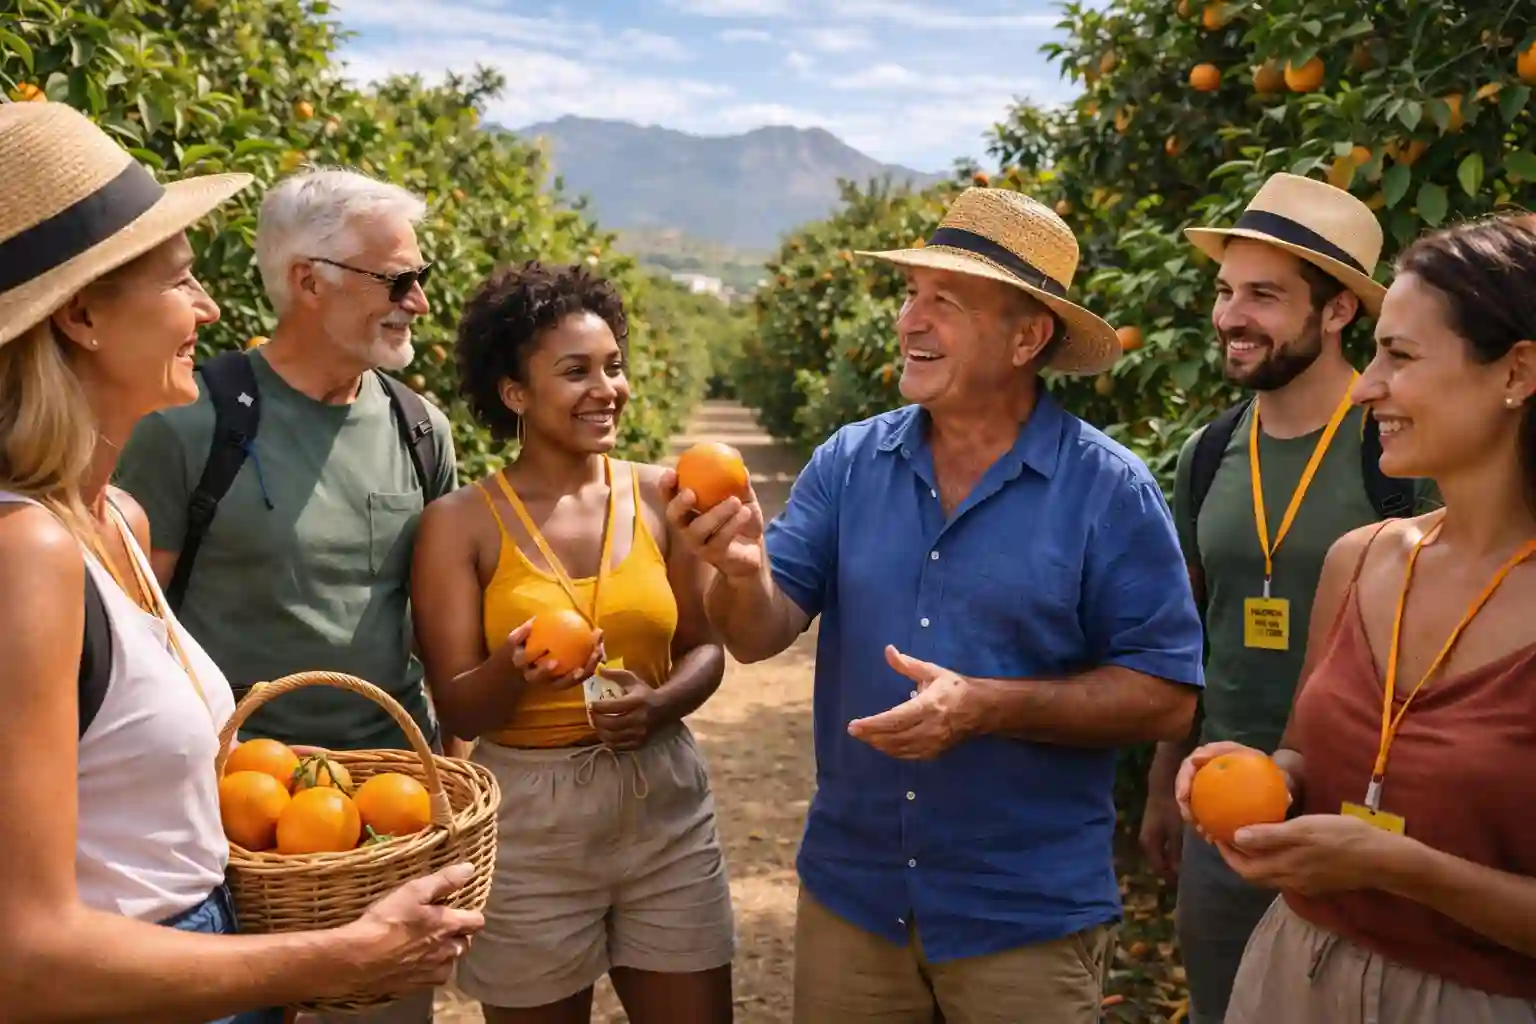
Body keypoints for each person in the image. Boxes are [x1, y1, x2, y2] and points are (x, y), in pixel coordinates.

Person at [662, 186, 1206, 1023]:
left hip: (1022, 916)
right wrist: (737, 571)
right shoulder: (850, 462)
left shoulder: (1109, 492)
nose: (910, 321)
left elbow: (1167, 695)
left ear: (1027, 337)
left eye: (944, 302)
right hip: (856, 899)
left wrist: (987, 707)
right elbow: (758, 634)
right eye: (910, 294)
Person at [0, 101, 481, 1023]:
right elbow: (26, 952)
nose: (209, 308)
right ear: (84, 317)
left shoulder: (117, 524)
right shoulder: (28, 553)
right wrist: (333, 956)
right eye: (181, 282)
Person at [1175, 211, 1536, 1023]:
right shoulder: (1362, 559)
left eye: (1399, 357)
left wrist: (1403, 867)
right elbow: (1308, 753)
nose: (1367, 385)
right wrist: (1261, 777)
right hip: (1295, 974)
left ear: (1516, 371)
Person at [1136, 172, 1437, 1023]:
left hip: (1364, 820)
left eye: (1264, 295)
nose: (1231, 316)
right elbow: (1195, 629)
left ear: (1338, 311)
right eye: (1227, 290)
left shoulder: (1398, 449)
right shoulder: (1210, 452)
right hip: (1225, 805)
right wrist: (1165, 783)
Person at [410, 260, 736, 1023]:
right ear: (515, 393)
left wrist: (660, 705)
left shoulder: (663, 495)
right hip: (531, 817)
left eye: (614, 367)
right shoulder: (460, 524)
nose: (608, 388)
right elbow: (458, 701)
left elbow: (705, 646)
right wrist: (516, 668)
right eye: (576, 371)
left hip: (664, 801)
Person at [115, 166, 457, 768]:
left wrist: (454, 771)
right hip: (245, 794)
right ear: (310, 281)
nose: (419, 301)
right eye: (399, 280)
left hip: (397, 785)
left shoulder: (422, 430)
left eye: (420, 279)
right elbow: (133, 639)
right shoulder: (189, 424)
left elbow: (441, 637)